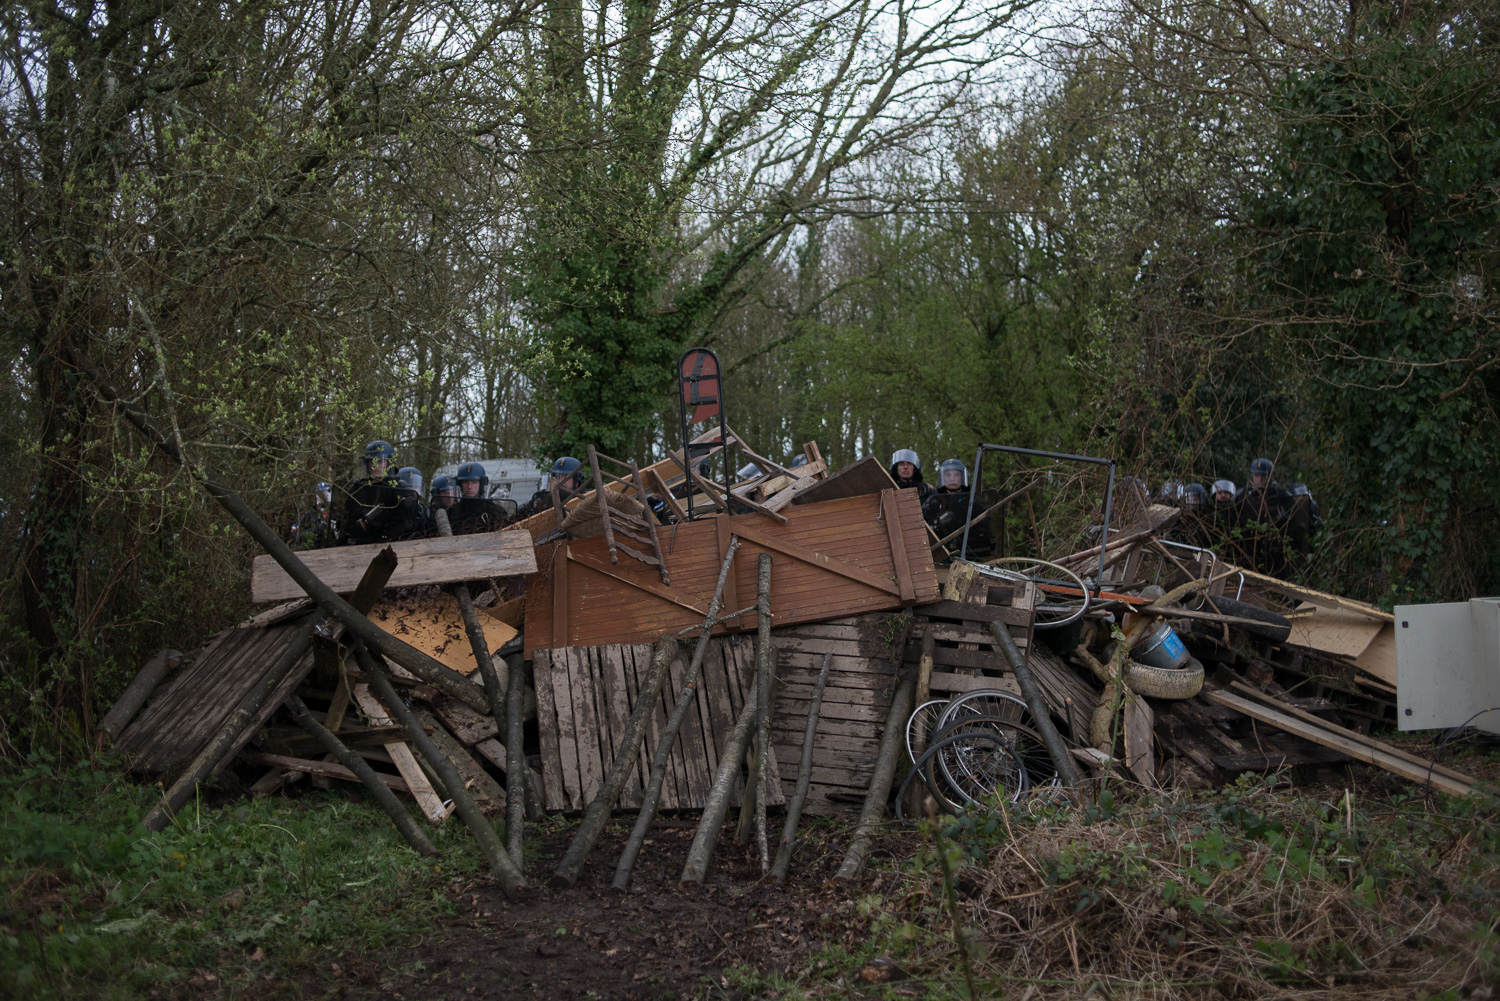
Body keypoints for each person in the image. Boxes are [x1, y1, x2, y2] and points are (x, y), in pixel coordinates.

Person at [343, 440, 419, 545]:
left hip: (390, 546)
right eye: (372, 461)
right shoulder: (357, 489)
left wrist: (383, 536)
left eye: (380, 461)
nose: (375, 466)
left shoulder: (400, 489)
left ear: (388, 463)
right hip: (359, 545)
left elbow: (406, 525)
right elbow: (348, 522)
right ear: (367, 463)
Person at [923, 458, 992, 557]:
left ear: (962, 477)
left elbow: (985, 535)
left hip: (969, 556)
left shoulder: (974, 503)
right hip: (938, 555)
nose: (952, 478)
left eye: (956, 475)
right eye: (948, 475)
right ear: (942, 477)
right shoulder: (933, 502)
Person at [449, 461, 507, 534]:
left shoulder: (494, 511)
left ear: (481, 484)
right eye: (465, 482)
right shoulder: (451, 512)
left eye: (474, 482)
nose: (469, 486)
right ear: (460, 484)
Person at [519, 456, 584, 519]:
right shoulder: (543, 500)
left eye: (565, 476)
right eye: (557, 476)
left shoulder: (585, 501)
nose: (560, 481)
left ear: (577, 481)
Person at [291, 481, 339, 549]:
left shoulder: (335, 512)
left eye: (326, 494)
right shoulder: (311, 513)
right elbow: (294, 532)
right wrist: (313, 532)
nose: (324, 496)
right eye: (321, 494)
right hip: (316, 546)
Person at [394, 467, 430, 539]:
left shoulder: (425, 511)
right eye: (409, 487)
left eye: (416, 487)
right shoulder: (393, 508)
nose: (413, 491)